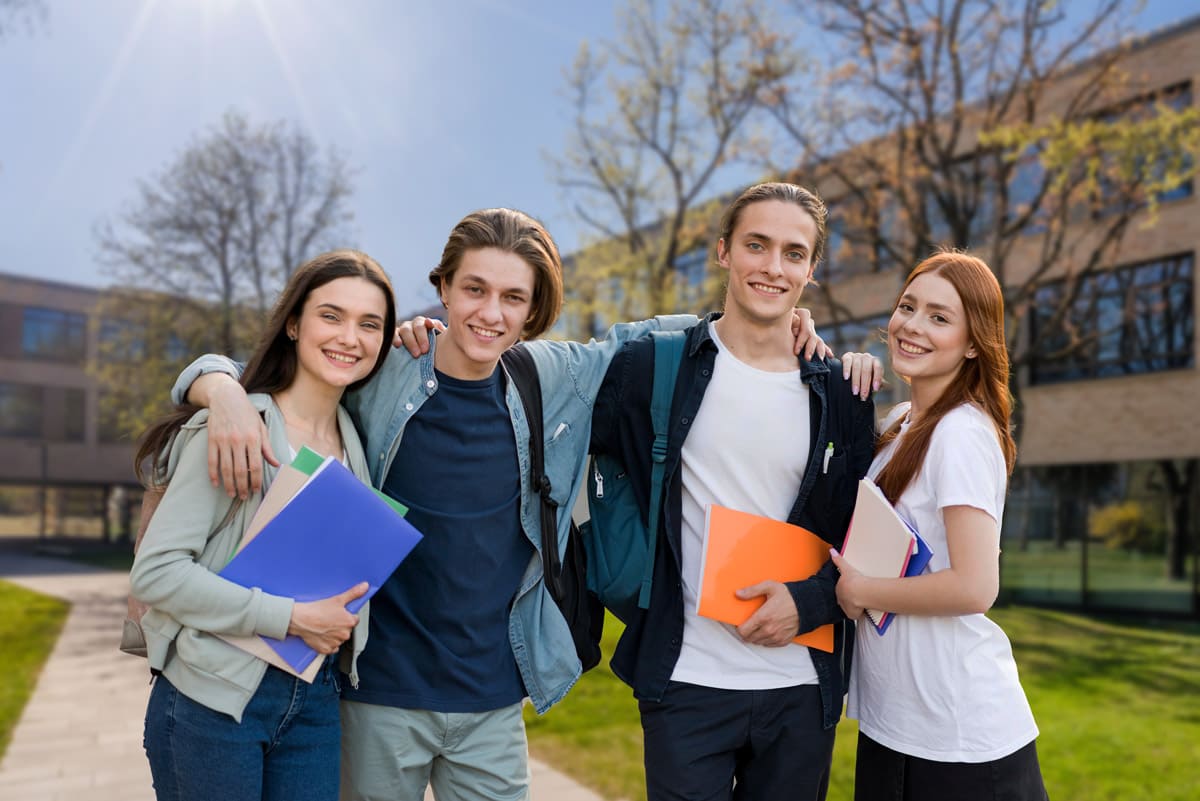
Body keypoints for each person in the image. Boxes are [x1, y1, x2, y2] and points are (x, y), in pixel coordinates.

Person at [174, 207, 871, 801]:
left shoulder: (555, 376)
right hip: (376, 695)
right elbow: (279, 366)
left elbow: (676, 334)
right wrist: (219, 387)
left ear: (534, 308)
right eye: (473, 288)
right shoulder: (383, 371)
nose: (490, 312)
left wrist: (789, 315)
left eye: (513, 297)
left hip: (493, 701)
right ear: (441, 288)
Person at [589, 182, 878, 801]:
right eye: (757, 245)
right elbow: (552, 406)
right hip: (686, 679)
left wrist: (813, 602)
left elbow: (867, 538)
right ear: (724, 251)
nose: (773, 267)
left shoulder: (841, 393)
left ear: (811, 270)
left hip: (802, 686)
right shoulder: (654, 369)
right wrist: (429, 345)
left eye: (793, 254)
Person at [131, 250, 397, 801]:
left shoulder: (357, 438)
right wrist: (291, 618)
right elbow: (156, 574)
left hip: (316, 700)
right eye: (331, 315)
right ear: (294, 324)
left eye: (369, 324)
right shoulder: (237, 429)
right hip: (212, 700)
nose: (350, 336)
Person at [831, 251, 1047, 800]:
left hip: (959, 739)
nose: (913, 326)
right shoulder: (902, 423)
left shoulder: (961, 433)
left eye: (940, 317)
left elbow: (977, 587)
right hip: (896, 726)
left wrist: (861, 590)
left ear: (974, 343)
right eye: (909, 306)